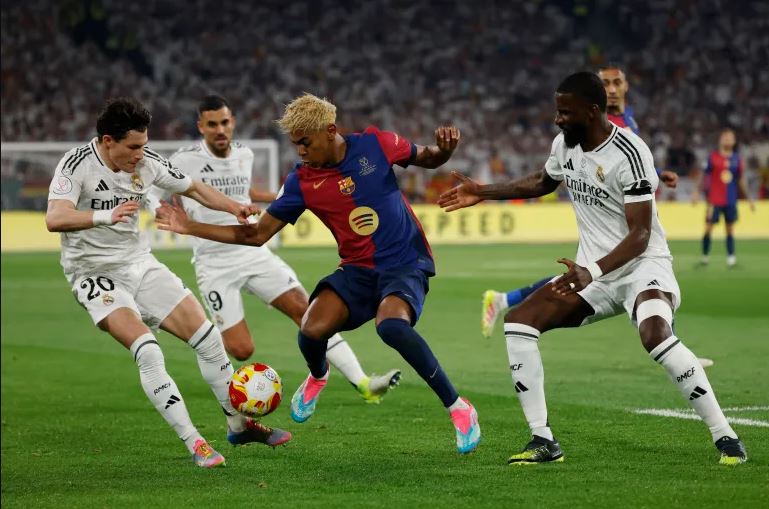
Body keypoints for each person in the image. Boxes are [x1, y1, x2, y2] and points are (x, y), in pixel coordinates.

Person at [438, 72, 746, 465]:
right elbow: (542, 182)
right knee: (519, 322)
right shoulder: (564, 146)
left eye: (565, 113)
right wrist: (482, 191)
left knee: (654, 334)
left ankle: (725, 437)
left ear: (592, 111)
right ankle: (543, 439)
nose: (558, 119)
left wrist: (592, 271)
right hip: (595, 274)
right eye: (557, 111)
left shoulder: (630, 153)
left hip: (642, 266)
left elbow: (640, 234)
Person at [155, 93, 481, 454]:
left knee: (391, 326)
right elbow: (257, 234)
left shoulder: (377, 144)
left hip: (404, 263)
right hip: (357, 269)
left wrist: (444, 151)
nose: (300, 151)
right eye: (295, 144)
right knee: (310, 329)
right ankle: (318, 376)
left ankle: (458, 407)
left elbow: (428, 157)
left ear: (329, 130)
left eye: (305, 142)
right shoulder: (302, 180)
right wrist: (189, 227)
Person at [45, 97, 291, 469]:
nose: (140, 154)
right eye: (133, 147)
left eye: (143, 145)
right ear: (108, 141)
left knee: (209, 338)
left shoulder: (147, 162)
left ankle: (239, 426)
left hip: (139, 264)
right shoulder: (76, 163)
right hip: (94, 274)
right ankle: (196, 443)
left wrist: (234, 207)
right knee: (148, 351)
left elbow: (195, 188)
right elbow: (55, 217)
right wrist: (104, 216)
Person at [147, 95, 401, 403]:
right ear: (201, 126)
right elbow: (151, 186)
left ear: (233, 122)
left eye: (224, 122)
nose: (220, 130)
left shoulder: (245, 154)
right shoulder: (184, 159)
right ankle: (188, 332)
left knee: (306, 311)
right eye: (212, 124)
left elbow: (244, 189)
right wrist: (158, 208)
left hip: (254, 253)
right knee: (242, 349)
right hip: (213, 262)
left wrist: (283, 199)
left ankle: (363, 383)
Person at [480, 66, 682, 335]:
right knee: (583, 278)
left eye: (617, 82)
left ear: (626, 86)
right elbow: (574, 171)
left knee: (588, 279)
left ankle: (505, 299)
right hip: (607, 224)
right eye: (605, 83)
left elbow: (628, 165)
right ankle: (506, 300)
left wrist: (657, 173)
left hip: (629, 219)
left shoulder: (627, 121)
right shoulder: (593, 123)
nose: (612, 89)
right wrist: (483, 192)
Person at [693, 128, 755, 267]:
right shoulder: (713, 157)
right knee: (708, 228)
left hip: (731, 200)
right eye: (725, 137)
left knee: (730, 229)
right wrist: (696, 192)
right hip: (714, 200)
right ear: (720, 140)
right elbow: (704, 175)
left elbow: (741, 179)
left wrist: (749, 198)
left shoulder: (737, 159)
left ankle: (731, 259)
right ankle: (704, 258)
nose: (727, 139)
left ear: (734, 141)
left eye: (730, 137)